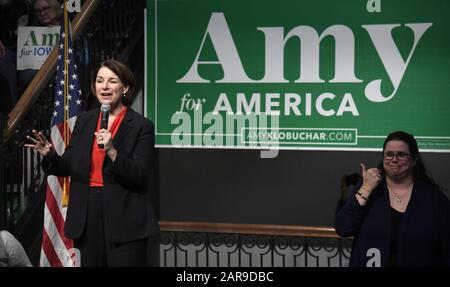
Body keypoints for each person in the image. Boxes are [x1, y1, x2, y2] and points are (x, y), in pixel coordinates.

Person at [25, 59, 160, 266]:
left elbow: (140, 175)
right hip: (87, 215)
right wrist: (50, 155)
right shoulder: (85, 121)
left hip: (125, 219)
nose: (104, 86)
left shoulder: (142, 126)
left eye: (112, 81)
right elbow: (68, 165)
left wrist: (113, 151)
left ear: (125, 88)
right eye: (99, 81)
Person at [334, 131, 450, 267]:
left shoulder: (434, 199)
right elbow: (343, 228)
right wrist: (367, 187)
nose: (394, 159)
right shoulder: (366, 188)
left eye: (401, 155)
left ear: (414, 160)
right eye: (389, 154)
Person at [0, 0, 60, 105]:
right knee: (5, 58)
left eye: (46, 8)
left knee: (28, 74)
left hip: (52, 66)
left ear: (55, 8)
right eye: (38, 11)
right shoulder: (31, 29)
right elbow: (18, 51)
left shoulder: (69, 25)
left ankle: (20, 105)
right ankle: (13, 106)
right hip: (30, 62)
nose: (42, 13)